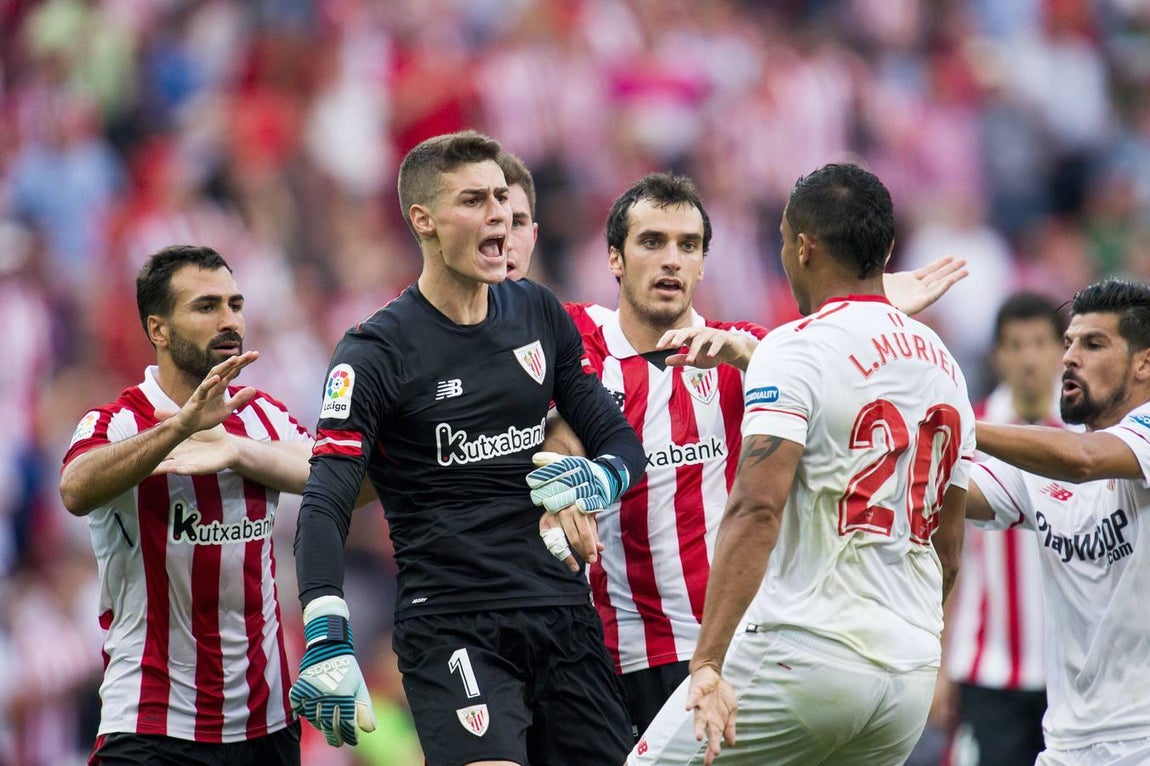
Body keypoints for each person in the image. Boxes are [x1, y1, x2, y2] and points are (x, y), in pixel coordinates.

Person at [497, 153, 970, 740]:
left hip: (736, 653)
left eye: (689, 245)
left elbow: (831, 362)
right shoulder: (574, 339)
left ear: (702, 266)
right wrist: (560, 446)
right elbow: (523, 394)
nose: (672, 259)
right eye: (652, 242)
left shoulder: (749, 352)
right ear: (614, 258)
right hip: (613, 657)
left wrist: (872, 305)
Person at [290, 130, 646, 766]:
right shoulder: (375, 353)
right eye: (474, 201)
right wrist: (325, 627)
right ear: (422, 220)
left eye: (503, 200)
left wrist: (605, 477)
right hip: (453, 622)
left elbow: (615, 436)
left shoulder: (538, 311)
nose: (499, 217)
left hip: (560, 611)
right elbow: (326, 502)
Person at [627, 163, 977, 765]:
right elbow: (948, 547)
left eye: (785, 240)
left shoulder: (798, 346)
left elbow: (757, 507)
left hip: (807, 654)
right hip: (907, 677)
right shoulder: (947, 366)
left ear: (804, 246)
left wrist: (708, 661)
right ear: (886, 251)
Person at [59, 245, 313, 766]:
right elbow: (75, 488)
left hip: (267, 726)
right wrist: (178, 429)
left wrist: (237, 450)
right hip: (152, 723)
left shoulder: (263, 416)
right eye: (206, 307)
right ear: (159, 330)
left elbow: (344, 480)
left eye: (235, 304)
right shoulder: (120, 421)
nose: (229, 320)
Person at [966, 277, 1150, 766]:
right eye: (1069, 342)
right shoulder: (1042, 464)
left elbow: (1085, 459)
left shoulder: (1124, 442)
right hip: (1066, 744)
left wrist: (953, 421)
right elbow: (953, 493)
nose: (1069, 357)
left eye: (1093, 344)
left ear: (1144, 363)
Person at [939, 292, 1067, 766]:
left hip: (1070, 673)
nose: (1029, 358)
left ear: (1062, 351)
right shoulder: (970, 432)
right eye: (1016, 345)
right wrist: (939, 665)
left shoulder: (1092, 438)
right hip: (986, 669)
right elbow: (948, 552)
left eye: (1039, 343)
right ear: (998, 355)